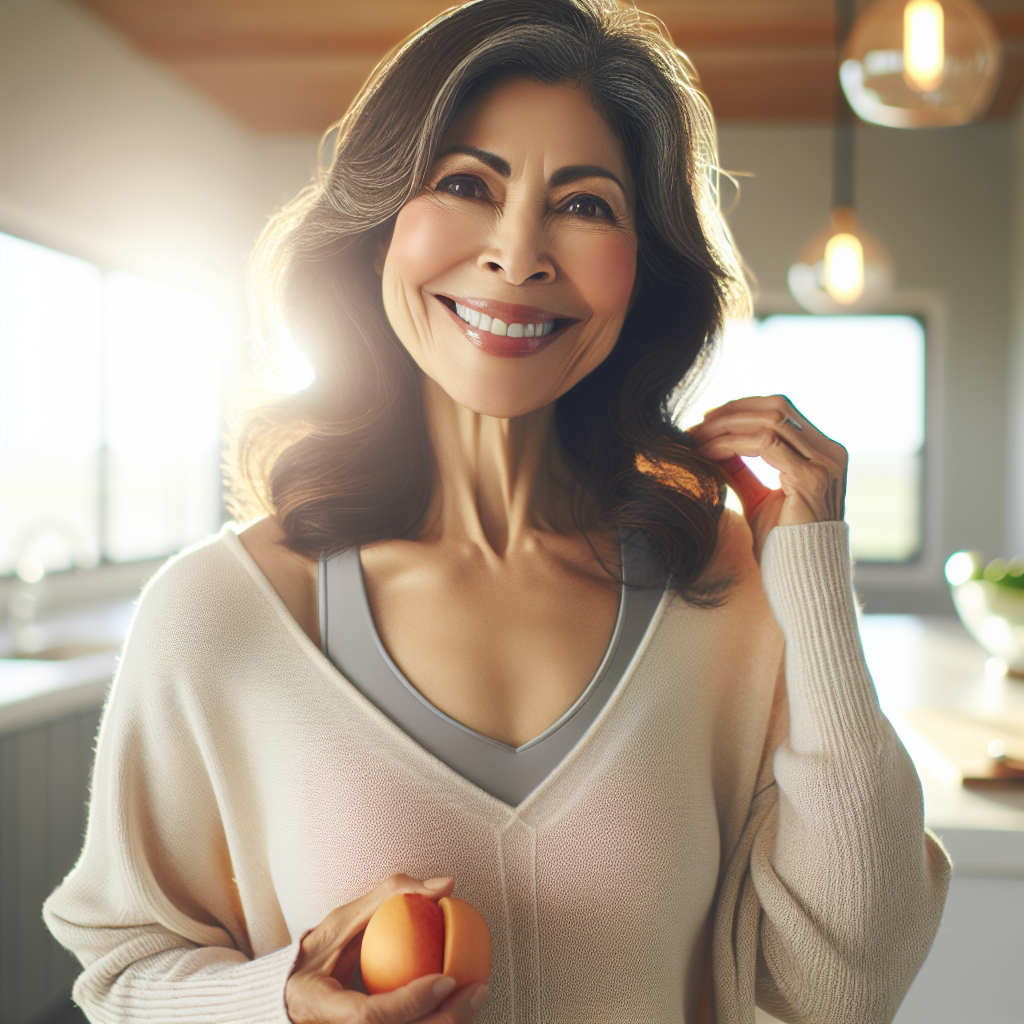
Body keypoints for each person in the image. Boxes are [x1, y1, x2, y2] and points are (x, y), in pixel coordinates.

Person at [44, 2, 950, 1022]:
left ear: (642, 273)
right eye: (467, 184)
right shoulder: (222, 610)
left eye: (586, 204)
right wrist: (281, 1004)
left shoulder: (729, 589)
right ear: (379, 227)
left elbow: (847, 987)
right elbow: (121, 973)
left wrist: (815, 591)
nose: (519, 255)